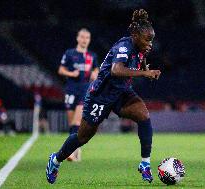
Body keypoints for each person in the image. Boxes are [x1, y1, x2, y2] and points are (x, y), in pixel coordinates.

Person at [46, 9, 161, 184]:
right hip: (100, 95)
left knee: (144, 116)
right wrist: (144, 74)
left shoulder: (141, 46)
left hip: (121, 93)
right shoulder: (124, 46)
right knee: (82, 137)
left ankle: (145, 163)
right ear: (136, 35)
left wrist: (145, 69)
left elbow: (141, 58)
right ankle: (55, 160)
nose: (150, 43)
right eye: (147, 39)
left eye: (151, 40)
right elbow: (116, 70)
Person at [58, 28, 99, 161]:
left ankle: (70, 152)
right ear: (77, 38)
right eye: (82, 37)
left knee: (77, 121)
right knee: (72, 123)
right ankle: (77, 149)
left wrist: (95, 74)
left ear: (89, 40)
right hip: (71, 90)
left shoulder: (92, 56)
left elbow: (96, 70)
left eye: (87, 37)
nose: (84, 40)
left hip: (85, 91)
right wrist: (71, 73)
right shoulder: (70, 53)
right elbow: (61, 70)